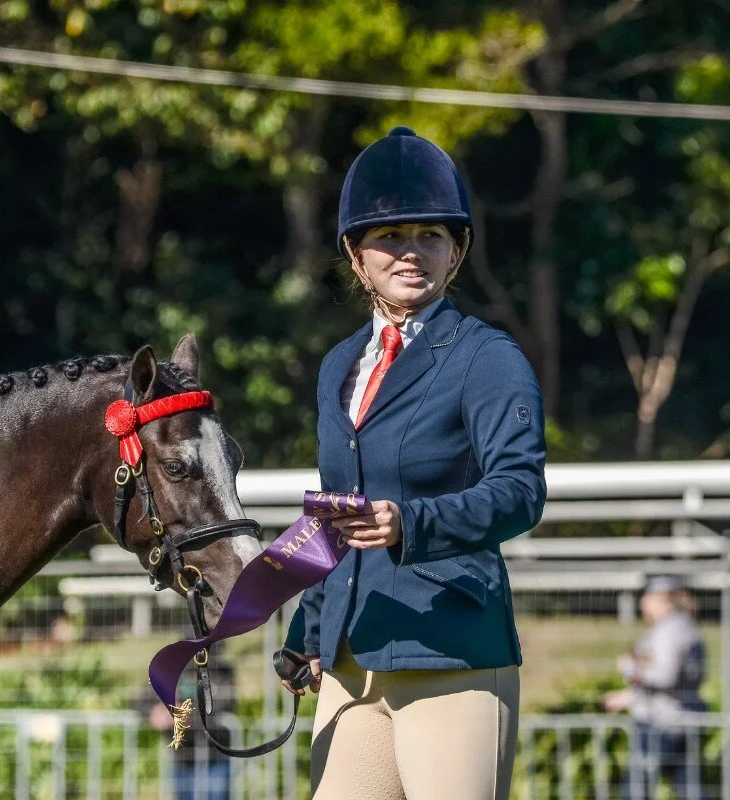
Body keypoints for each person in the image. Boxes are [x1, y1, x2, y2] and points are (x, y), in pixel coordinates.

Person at [279, 126, 548, 800]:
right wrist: (307, 628)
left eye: (430, 236)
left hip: (449, 653)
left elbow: (519, 492)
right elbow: (336, 510)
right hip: (351, 659)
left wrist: (412, 523)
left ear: (456, 252)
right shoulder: (339, 365)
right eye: (391, 236)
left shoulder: (487, 358)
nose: (410, 252)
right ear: (354, 252)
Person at [604, 576, 710, 800]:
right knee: (687, 785)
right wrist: (629, 697)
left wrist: (630, 668)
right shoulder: (681, 626)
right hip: (676, 717)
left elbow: (665, 675)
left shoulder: (671, 629)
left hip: (661, 722)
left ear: (659, 600)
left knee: (636, 789)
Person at [135, 661, 236, 800]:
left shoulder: (220, 670)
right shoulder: (170, 671)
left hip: (216, 755)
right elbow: (138, 701)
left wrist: (186, 715)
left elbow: (225, 705)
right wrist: (154, 713)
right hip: (182, 758)